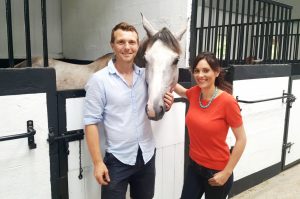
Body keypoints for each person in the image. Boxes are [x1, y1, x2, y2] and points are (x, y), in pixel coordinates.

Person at [83, 22, 173, 199]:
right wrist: (98, 162)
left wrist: (165, 106)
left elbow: (155, 108)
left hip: (147, 155)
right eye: (121, 42)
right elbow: (90, 123)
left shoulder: (146, 76)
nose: (127, 47)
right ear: (112, 45)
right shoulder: (98, 81)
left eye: (132, 42)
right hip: (117, 160)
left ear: (138, 45)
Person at [175, 52, 247, 199]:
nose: (200, 75)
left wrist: (226, 173)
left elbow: (241, 139)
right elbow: (182, 91)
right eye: (196, 71)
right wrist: (161, 74)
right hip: (194, 167)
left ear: (216, 72)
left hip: (217, 172)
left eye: (206, 70)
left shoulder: (228, 102)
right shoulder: (195, 93)